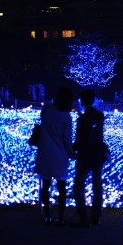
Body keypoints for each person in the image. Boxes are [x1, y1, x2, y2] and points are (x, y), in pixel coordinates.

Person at [34, 86, 76, 226]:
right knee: (61, 187)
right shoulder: (66, 117)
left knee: (45, 186)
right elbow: (67, 139)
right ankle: (60, 217)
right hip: (59, 155)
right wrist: (72, 153)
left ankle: (47, 215)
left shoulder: (46, 110)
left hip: (44, 152)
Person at [73, 89, 107, 228]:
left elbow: (80, 139)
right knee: (97, 186)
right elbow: (97, 134)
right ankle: (96, 217)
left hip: (85, 155)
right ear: (93, 100)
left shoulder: (82, 119)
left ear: (82, 101)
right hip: (97, 154)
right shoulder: (99, 116)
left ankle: (83, 218)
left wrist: (71, 149)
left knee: (78, 187)